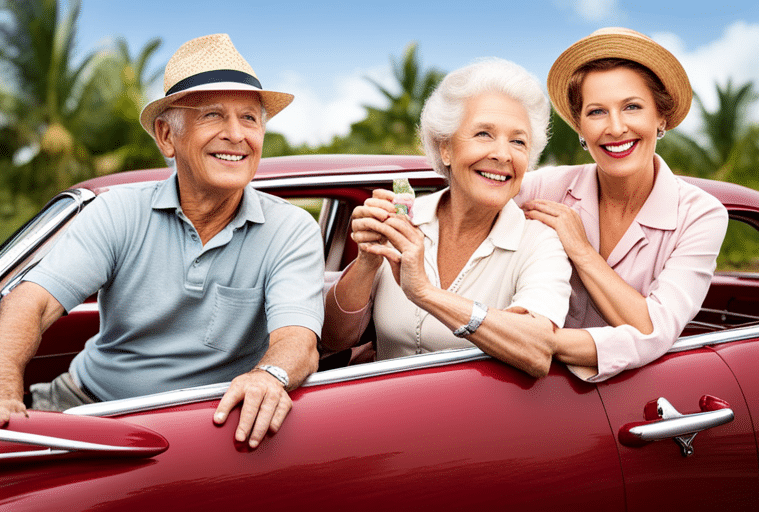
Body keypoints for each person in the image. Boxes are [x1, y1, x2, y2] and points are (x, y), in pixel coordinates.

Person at [0, 34, 325, 448]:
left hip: (208, 425)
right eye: (212, 116)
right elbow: (33, 301)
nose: (236, 134)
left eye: (249, 118)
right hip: (85, 407)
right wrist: (5, 386)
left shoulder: (291, 229)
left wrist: (269, 376)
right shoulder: (118, 211)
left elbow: (297, 340)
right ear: (166, 136)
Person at [322, 59, 572, 378]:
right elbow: (333, 339)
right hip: (378, 418)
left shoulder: (540, 242)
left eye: (518, 141)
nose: (503, 154)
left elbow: (538, 351)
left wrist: (426, 294)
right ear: (445, 149)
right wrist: (367, 262)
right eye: (484, 134)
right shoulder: (403, 218)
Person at [517, 27, 729, 381]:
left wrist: (582, 252)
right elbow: (466, 207)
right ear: (580, 127)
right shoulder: (542, 187)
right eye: (597, 112)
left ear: (660, 118)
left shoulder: (701, 215)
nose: (615, 128)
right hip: (520, 393)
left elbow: (652, 329)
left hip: (633, 405)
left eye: (632, 107)